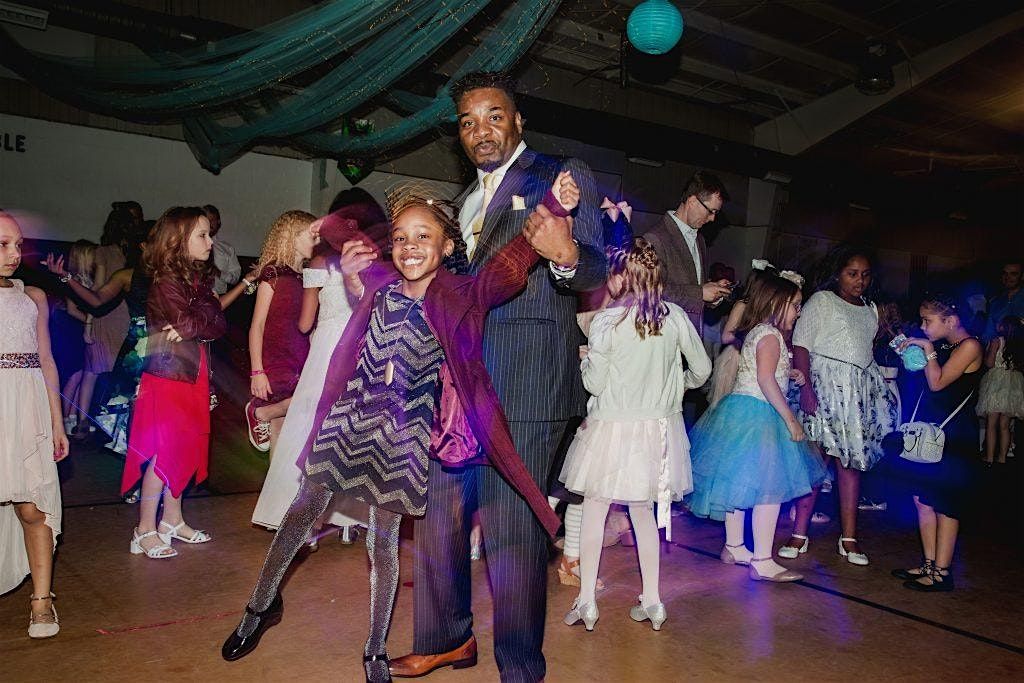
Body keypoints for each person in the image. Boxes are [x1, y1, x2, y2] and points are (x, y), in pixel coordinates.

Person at [221, 182, 571, 683]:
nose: (410, 245)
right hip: (350, 419)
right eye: (402, 236)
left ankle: (375, 650)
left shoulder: (458, 296)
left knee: (382, 544)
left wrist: (552, 209)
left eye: (424, 236)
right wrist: (329, 227)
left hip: (404, 439)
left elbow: (506, 268)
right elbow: (347, 229)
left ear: (447, 247)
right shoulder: (382, 278)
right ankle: (259, 609)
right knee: (300, 513)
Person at [385, 72, 606, 683]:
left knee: (512, 539)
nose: (480, 130)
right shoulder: (463, 202)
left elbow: (593, 263)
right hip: (459, 388)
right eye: (467, 121)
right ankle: (446, 639)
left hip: (528, 387)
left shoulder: (558, 175)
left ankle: (519, 667)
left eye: (493, 115)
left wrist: (563, 254)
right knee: (438, 519)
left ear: (517, 121)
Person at [558, 238, 711, 631]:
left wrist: (588, 360)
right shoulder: (674, 317)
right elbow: (703, 370)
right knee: (644, 513)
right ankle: (653, 601)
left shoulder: (607, 321)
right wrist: (676, 386)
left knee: (595, 510)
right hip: (658, 430)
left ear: (621, 278)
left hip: (611, 427)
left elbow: (594, 384)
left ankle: (587, 601)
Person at [250, 196, 390, 539]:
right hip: (357, 348)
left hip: (327, 346)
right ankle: (344, 519)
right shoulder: (373, 259)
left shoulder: (319, 261)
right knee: (346, 430)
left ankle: (297, 514)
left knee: (308, 426)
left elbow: (304, 323)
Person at [688, 273, 825, 583]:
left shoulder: (758, 332)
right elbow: (765, 380)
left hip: (739, 412)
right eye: (795, 306)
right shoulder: (771, 336)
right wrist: (791, 420)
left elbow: (764, 372)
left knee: (738, 483)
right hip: (760, 414)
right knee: (768, 488)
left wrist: (790, 376)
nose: (798, 312)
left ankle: (734, 546)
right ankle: (762, 559)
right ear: (777, 304)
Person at [121, 207, 227, 559]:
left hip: (189, 375)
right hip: (166, 377)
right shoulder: (167, 282)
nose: (210, 241)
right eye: (202, 235)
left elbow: (216, 324)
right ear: (177, 241)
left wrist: (199, 319)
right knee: (160, 453)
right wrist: (200, 318)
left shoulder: (196, 282)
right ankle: (144, 529)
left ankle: (173, 520)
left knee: (183, 449)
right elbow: (194, 321)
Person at [781, 246, 897, 566]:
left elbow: (865, 353)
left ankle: (849, 538)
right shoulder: (822, 301)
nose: (859, 281)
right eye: (852, 274)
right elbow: (801, 344)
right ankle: (799, 532)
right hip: (824, 387)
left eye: (865, 275)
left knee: (851, 464)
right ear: (838, 274)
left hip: (856, 394)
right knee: (816, 463)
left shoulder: (870, 309)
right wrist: (806, 389)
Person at [0, 211, 70, 638]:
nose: (13, 253)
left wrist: (58, 422)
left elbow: (46, 361)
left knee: (32, 506)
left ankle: (42, 602)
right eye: (2, 244)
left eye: (17, 244)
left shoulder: (33, 297)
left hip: (27, 407)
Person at [891, 294, 983, 592]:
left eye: (928, 321)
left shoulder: (970, 346)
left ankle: (942, 572)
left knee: (946, 505)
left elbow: (938, 382)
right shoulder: (943, 345)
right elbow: (923, 377)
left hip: (955, 436)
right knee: (923, 500)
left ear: (951, 321)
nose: (923, 326)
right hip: (931, 431)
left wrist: (928, 349)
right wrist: (911, 351)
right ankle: (929, 564)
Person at [243, 211, 318, 453]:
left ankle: (273, 490)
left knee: (282, 432)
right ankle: (260, 412)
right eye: (312, 236)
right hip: (276, 358)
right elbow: (258, 325)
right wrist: (257, 371)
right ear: (292, 236)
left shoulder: (307, 277)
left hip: (299, 356)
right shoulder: (273, 274)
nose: (317, 242)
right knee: (306, 403)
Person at [642, 171, 733, 333]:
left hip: (692, 337)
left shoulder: (700, 240)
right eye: (710, 211)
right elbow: (652, 292)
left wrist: (712, 292)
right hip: (665, 337)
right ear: (692, 201)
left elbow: (693, 288)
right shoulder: (655, 238)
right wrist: (700, 293)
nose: (712, 218)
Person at [79, 207, 133, 433]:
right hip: (119, 314)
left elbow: (98, 291)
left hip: (114, 314)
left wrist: (89, 322)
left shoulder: (112, 252)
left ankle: (87, 422)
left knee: (95, 370)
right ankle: (96, 424)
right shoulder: (124, 254)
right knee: (110, 371)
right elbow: (99, 290)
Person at [57, 240, 97, 434]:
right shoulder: (70, 280)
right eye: (92, 255)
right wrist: (93, 325)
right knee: (74, 376)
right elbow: (72, 310)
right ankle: (64, 419)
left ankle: (73, 418)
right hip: (72, 330)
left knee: (81, 376)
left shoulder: (89, 279)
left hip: (80, 329)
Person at [977, 316, 1024, 465]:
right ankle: (1002, 458)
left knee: (991, 423)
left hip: (996, 383)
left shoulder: (996, 341)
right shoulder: (1019, 345)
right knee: (1005, 425)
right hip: (1013, 383)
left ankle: (990, 457)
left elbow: (990, 363)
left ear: (1003, 327)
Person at [204, 204, 242, 296]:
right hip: (195, 298)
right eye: (206, 220)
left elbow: (235, 278)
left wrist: (219, 273)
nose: (209, 223)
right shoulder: (191, 247)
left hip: (221, 298)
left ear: (218, 222)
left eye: (212, 219)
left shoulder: (227, 249)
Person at [983, 260, 1023, 342]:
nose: (1008, 277)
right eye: (1005, 273)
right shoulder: (995, 302)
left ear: (1022, 276)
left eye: (1013, 274)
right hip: (1000, 352)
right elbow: (988, 334)